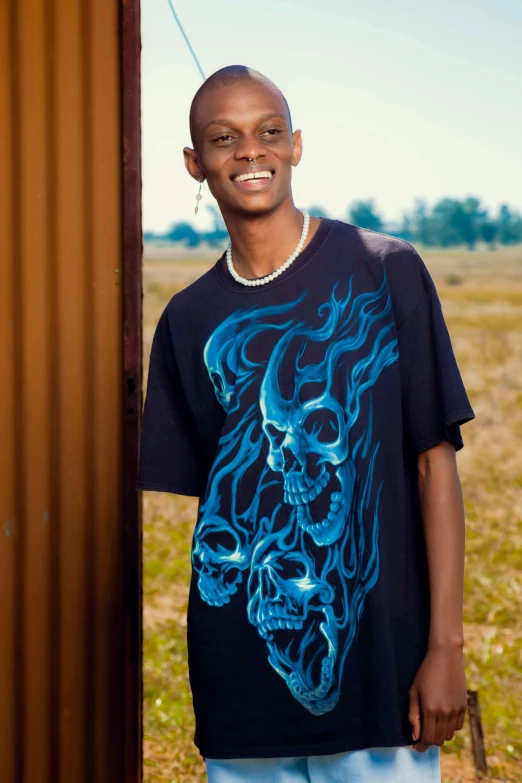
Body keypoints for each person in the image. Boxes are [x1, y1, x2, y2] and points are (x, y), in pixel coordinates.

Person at [137, 65, 475, 783]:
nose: (248, 153)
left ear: (295, 145)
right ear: (195, 164)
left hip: (383, 675)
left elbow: (432, 462)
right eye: (222, 138)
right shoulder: (189, 320)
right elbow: (220, 503)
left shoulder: (384, 271)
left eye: (267, 132)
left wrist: (446, 645)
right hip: (240, 687)